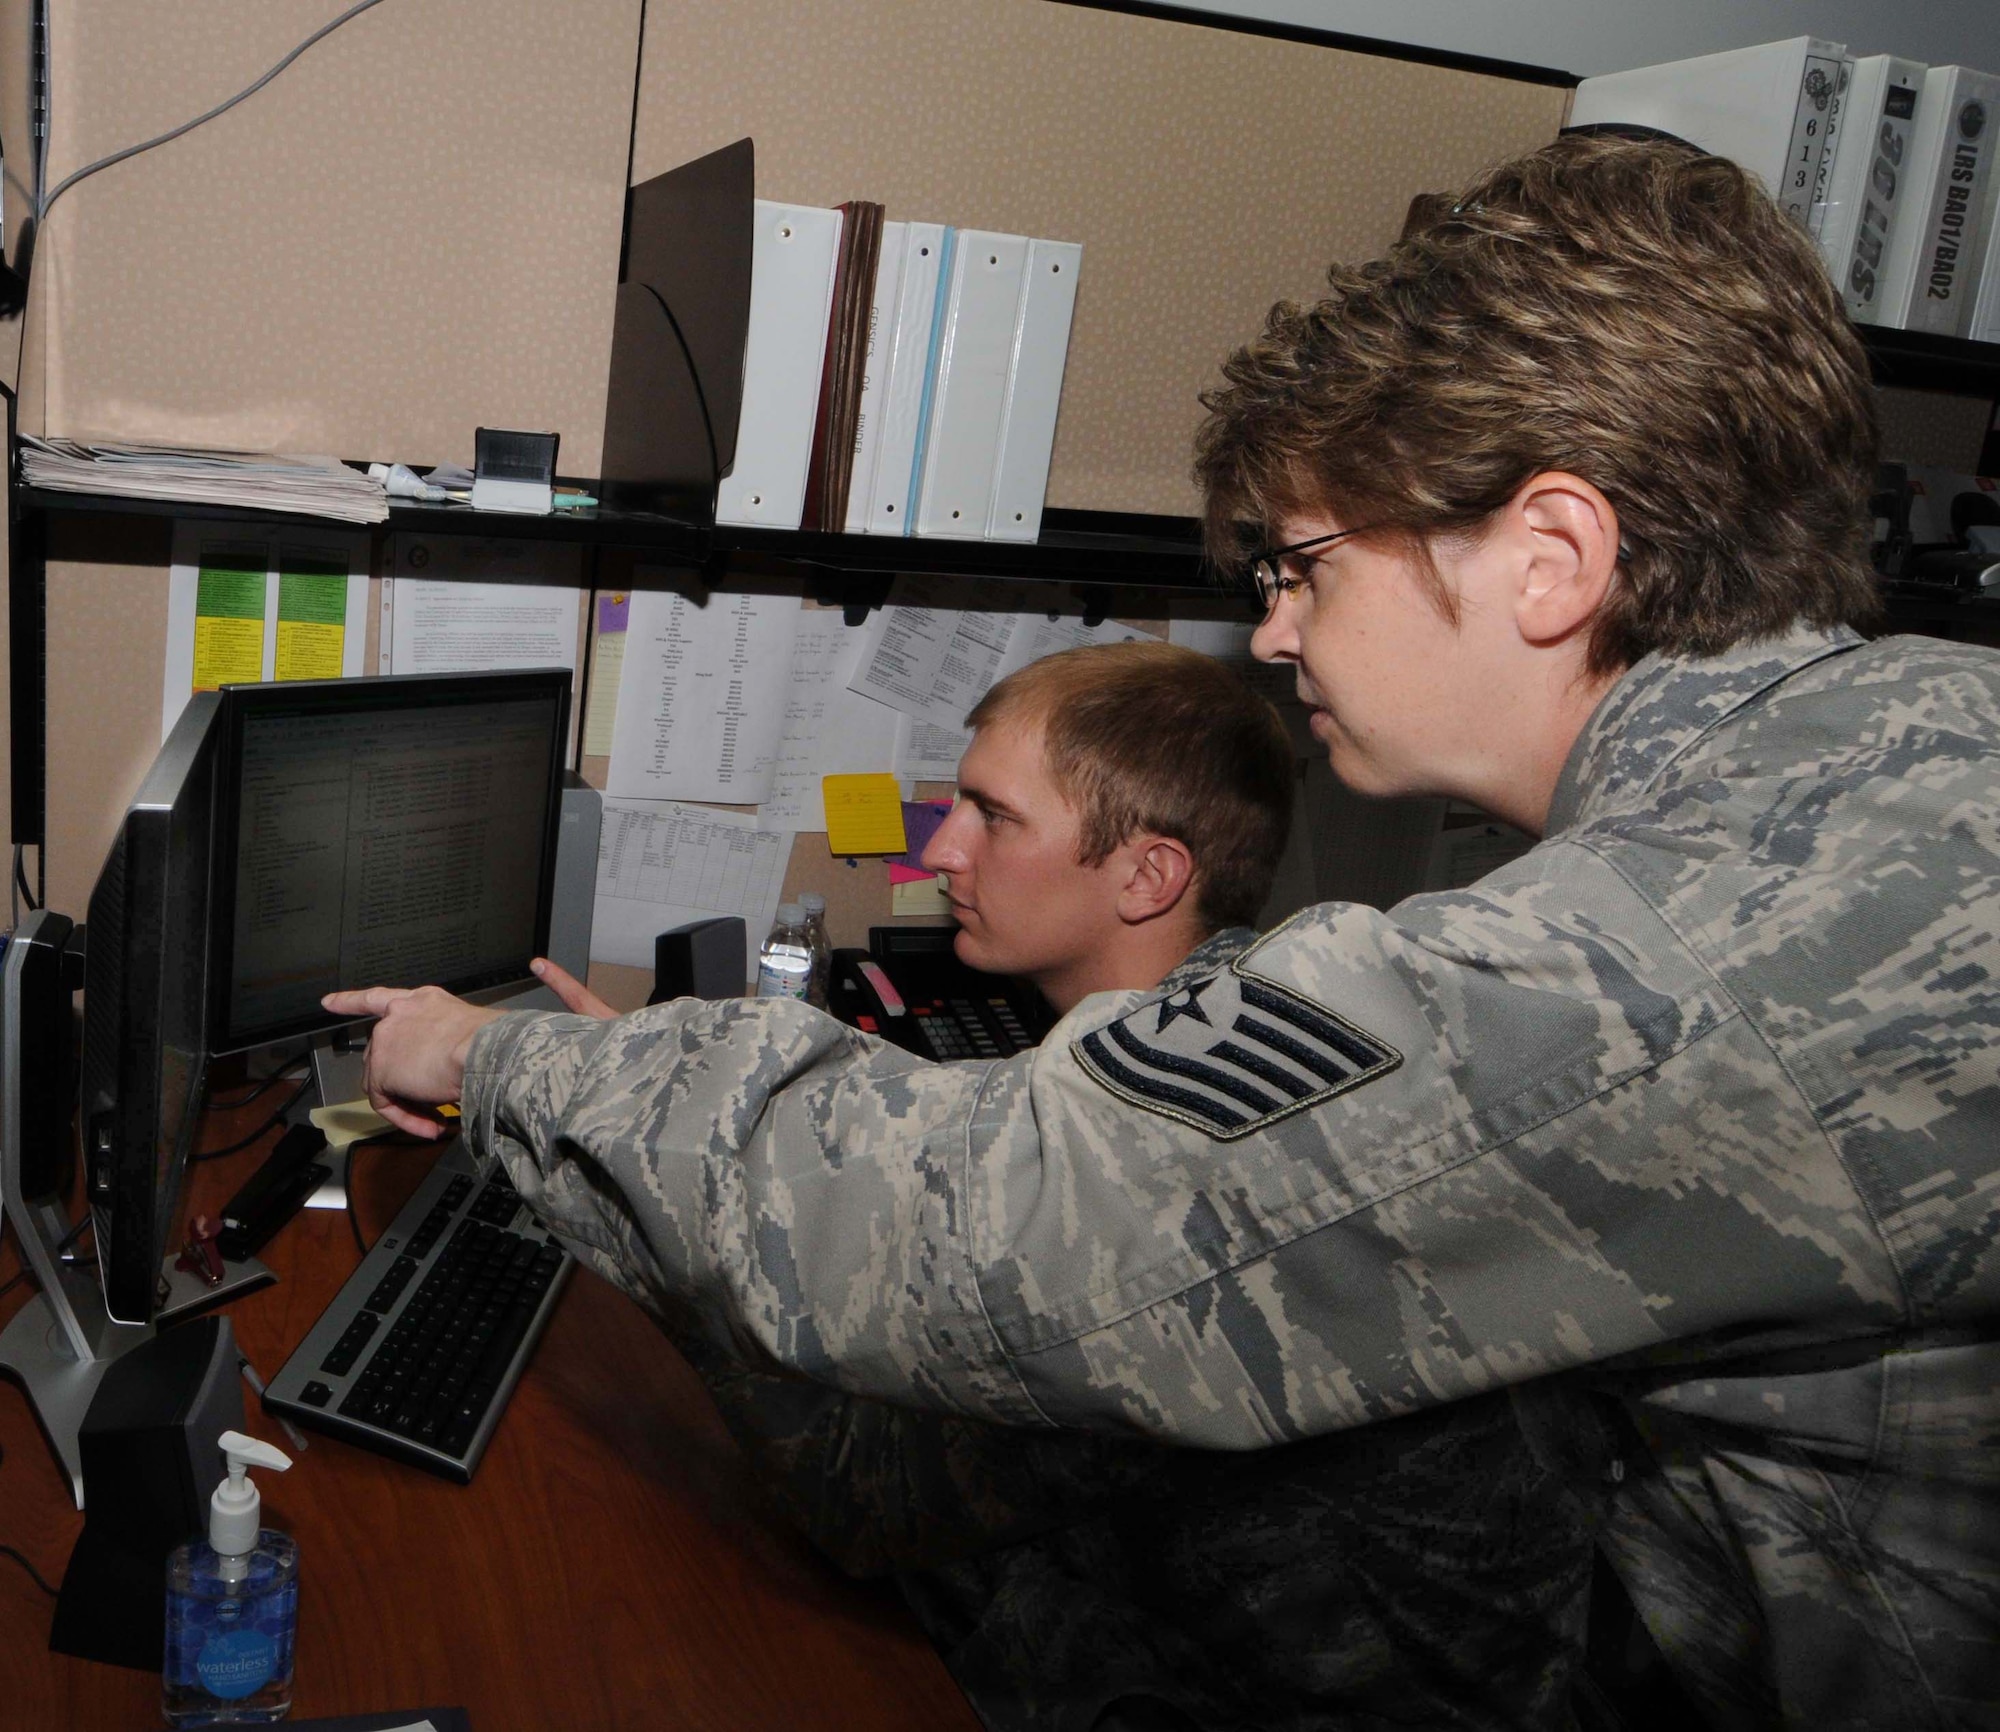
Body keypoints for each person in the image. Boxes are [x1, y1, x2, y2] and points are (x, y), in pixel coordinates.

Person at [331, 132, 2000, 1728]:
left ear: (1553, 554)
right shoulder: (1914, 755)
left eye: (1302, 565)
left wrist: (502, 1061)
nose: (1273, 635)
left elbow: (1019, 1225)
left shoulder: (1695, 941)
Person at [532, 640, 1596, 1730]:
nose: (941, 849)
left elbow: (863, 1493)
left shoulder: (1162, 1171)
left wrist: (638, 1166)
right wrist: (656, 1101)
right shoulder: (1207, 1045)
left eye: (992, 816)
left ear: (1147, 875)